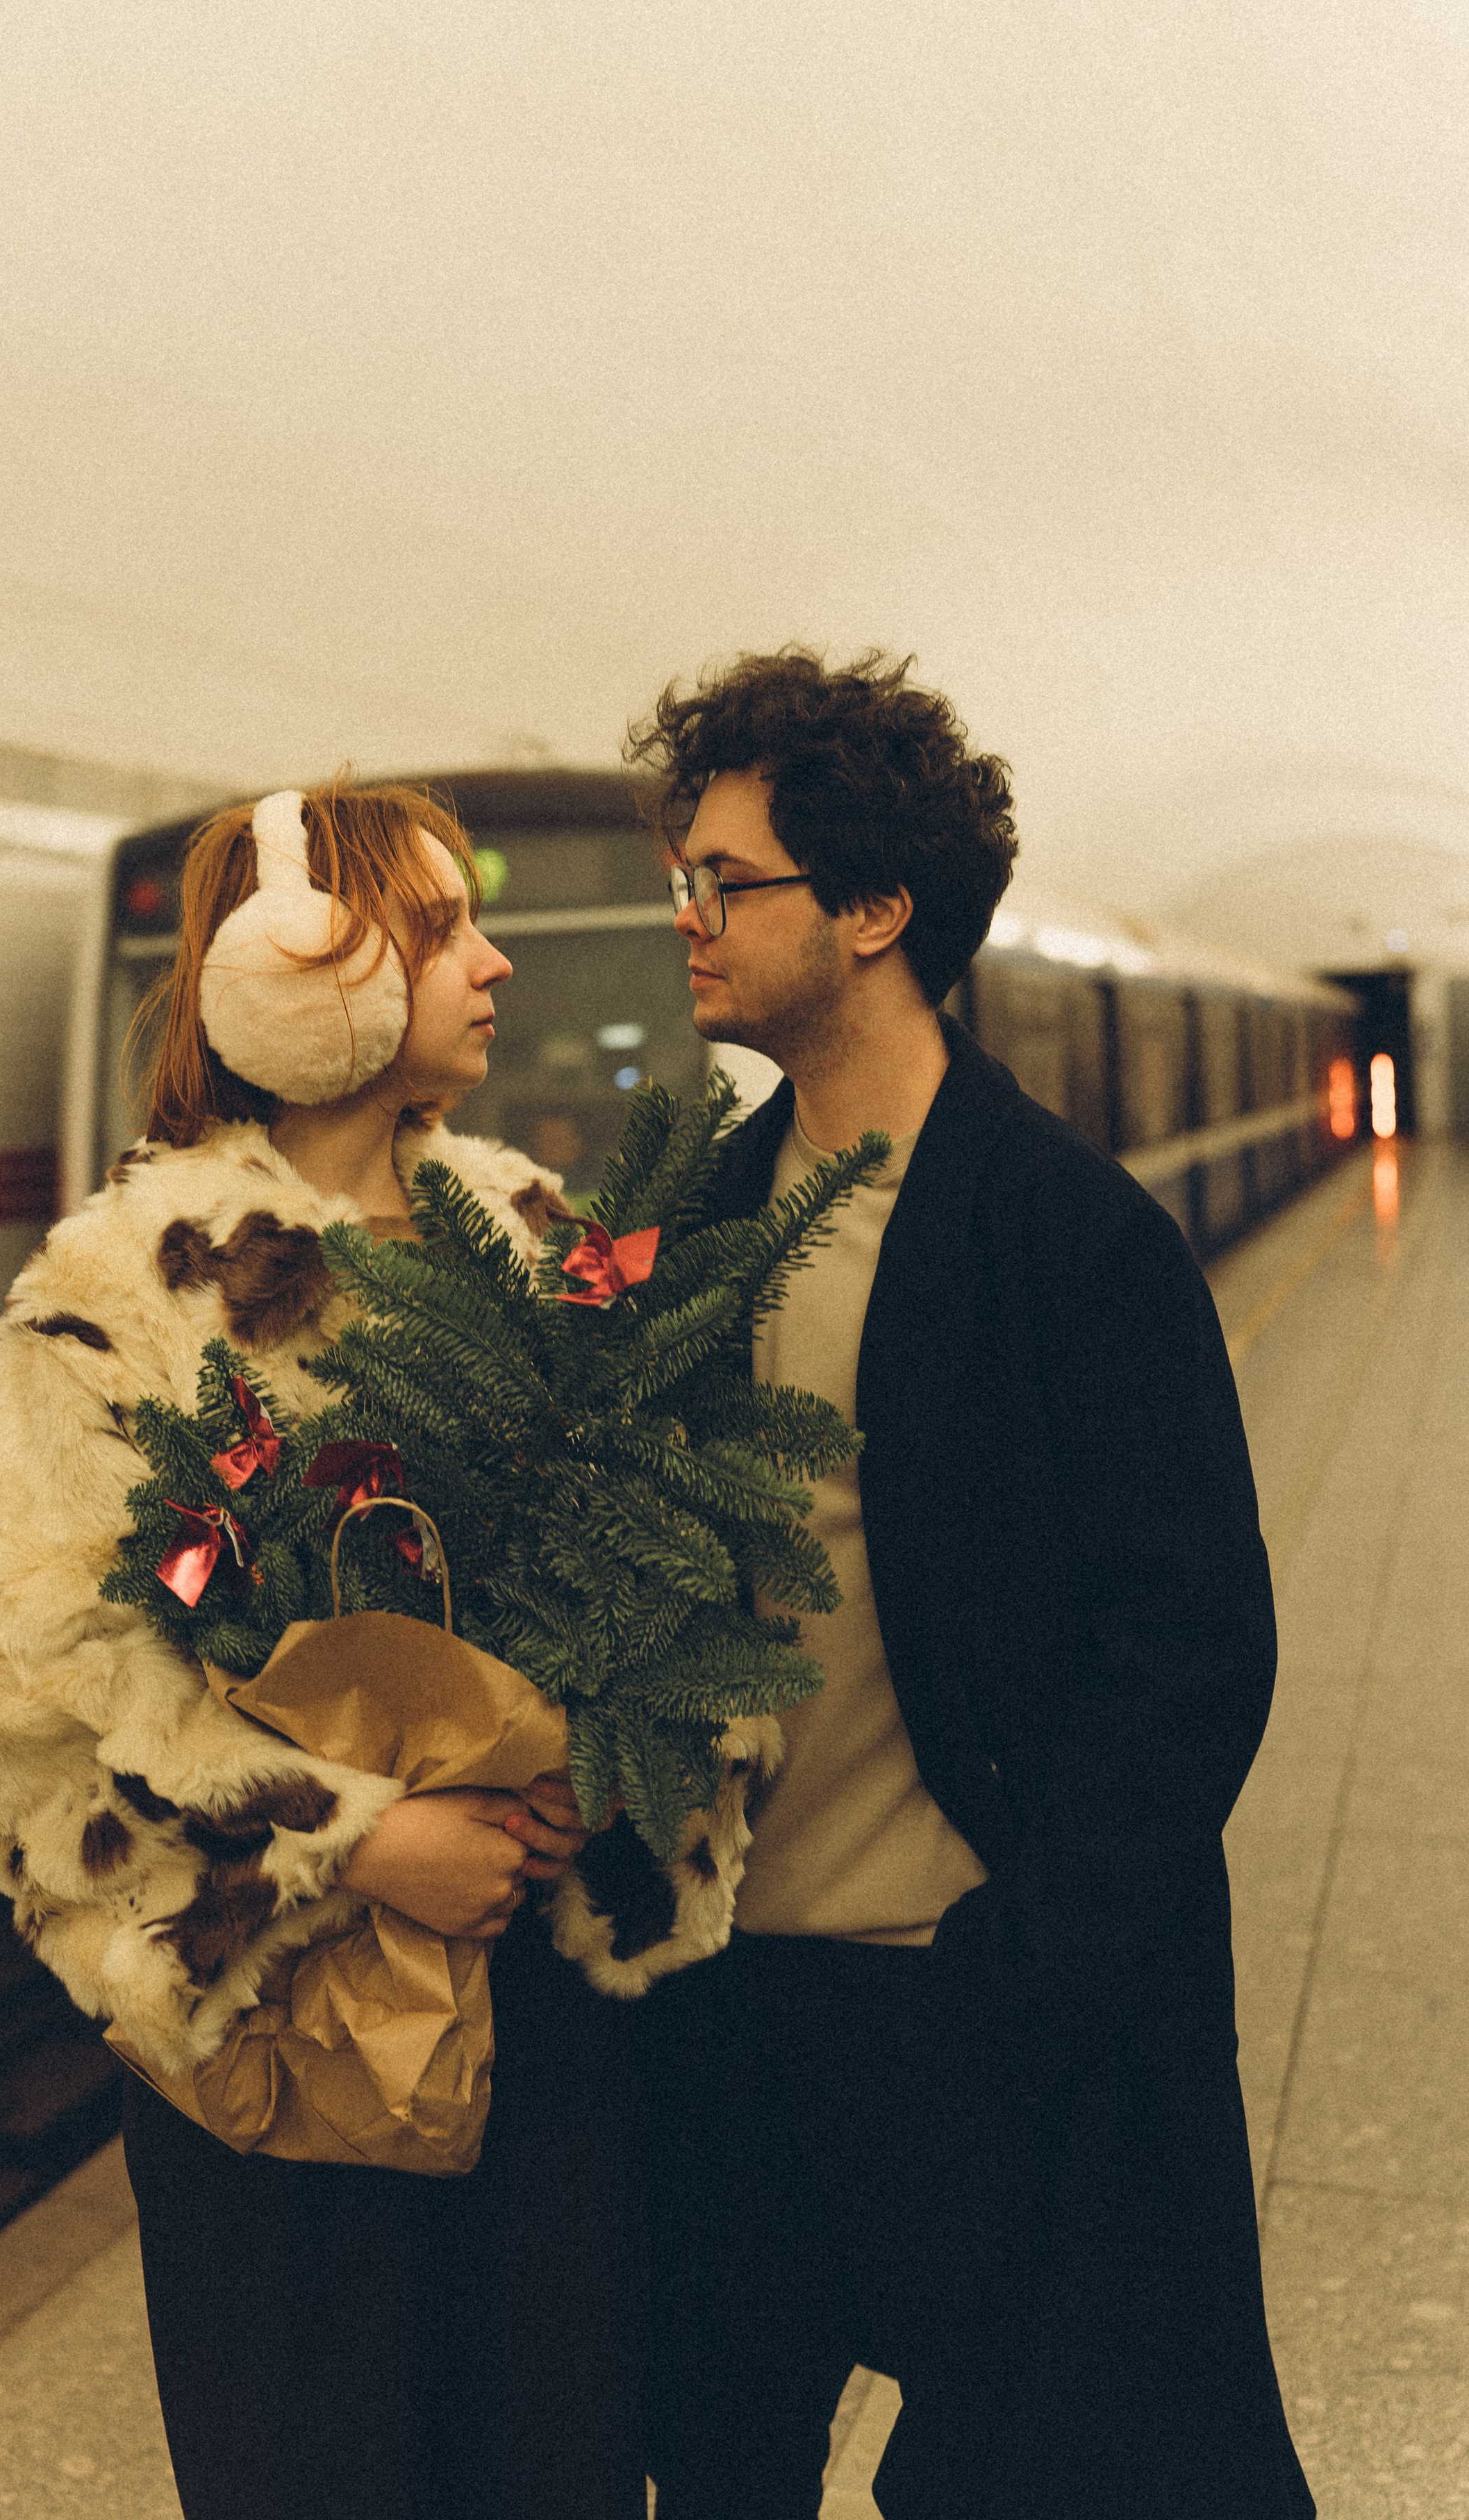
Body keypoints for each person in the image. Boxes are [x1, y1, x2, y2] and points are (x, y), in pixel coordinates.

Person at [0, 780, 733, 2520]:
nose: (495, 962)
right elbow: (51, 1681)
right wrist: (366, 1837)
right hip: (272, 2029)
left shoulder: (536, 1233)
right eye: (444, 927)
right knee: (321, 2467)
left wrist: (581, 1787)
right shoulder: (120, 1282)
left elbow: (675, 1551)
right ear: (298, 974)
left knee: (555, 2461)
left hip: (540, 2001)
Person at [615, 650, 1314, 2519]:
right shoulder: (697, 1226)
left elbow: (1192, 1648)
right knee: (721, 2464)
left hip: (973, 2007)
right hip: (731, 2015)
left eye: (727, 881)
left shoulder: (1072, 1237)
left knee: (1034, 2468)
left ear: (873, 907)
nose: (686, 917)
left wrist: (1031, 1955)